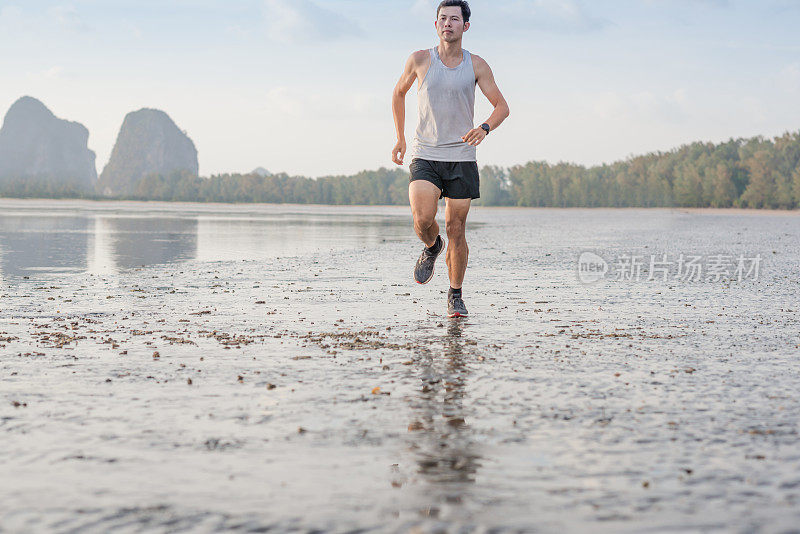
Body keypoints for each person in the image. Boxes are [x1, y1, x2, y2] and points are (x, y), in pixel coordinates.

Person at [391, 0, 509, 318]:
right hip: (426, 153)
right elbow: (398, 93)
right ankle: (432, 247)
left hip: (461, 157)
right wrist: (401, 138)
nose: (447, 24)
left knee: (456, 227)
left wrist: (484, 127)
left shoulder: (477, 65)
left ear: (465, 26)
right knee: (422, 219)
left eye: (454, 19)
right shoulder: (420, 60)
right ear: (436, 25)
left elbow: (502, 107)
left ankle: (455, 294)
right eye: (442, 18)